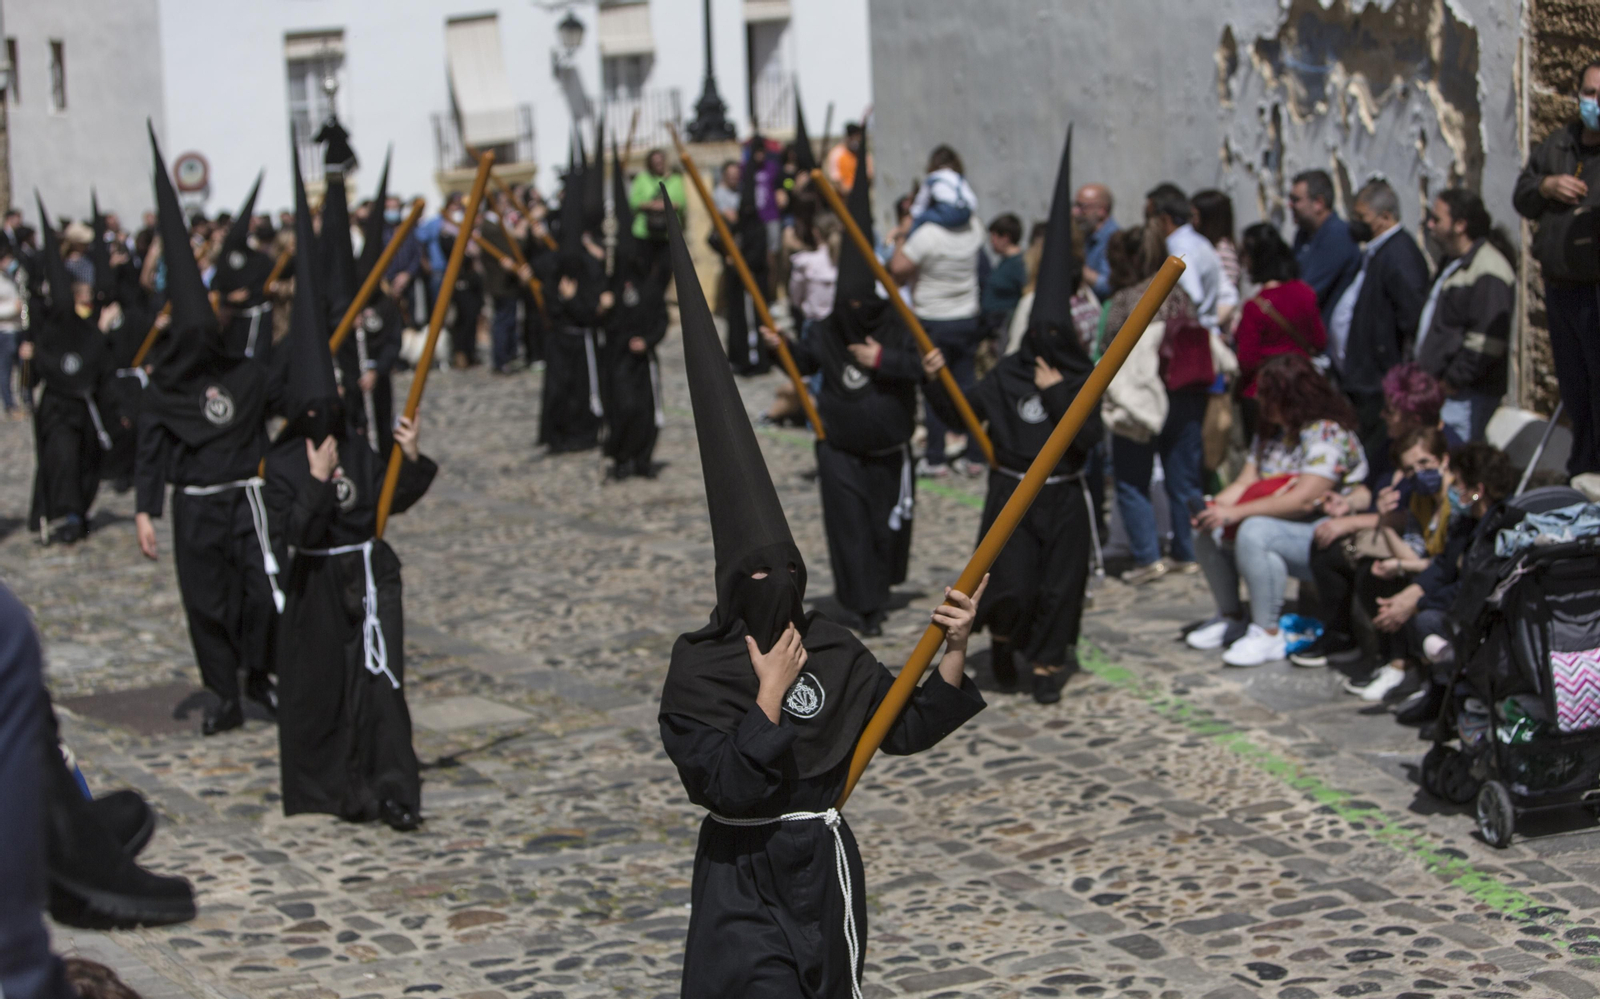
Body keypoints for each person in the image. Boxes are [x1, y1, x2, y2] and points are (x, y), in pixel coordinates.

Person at [656, 196, 985, 998]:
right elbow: (726, 786)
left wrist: (951, 648)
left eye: (789, 576)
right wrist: (767, 699)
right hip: (739, 876)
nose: (779, 592)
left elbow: (898, 725)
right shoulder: (698, 671)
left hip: (822, 867)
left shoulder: (830, 644)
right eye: (759, 581)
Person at [265, 159, 433, 832]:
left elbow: (389, 498)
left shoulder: (353, 437)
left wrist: (411, 459)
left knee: (383, 681)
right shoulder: (280, 458)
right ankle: (341, 785)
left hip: (370, 572)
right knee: (331, 690)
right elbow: (290, 534)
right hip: (317, 585)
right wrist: (310, 479)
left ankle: (396, 789)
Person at [924, 126, 1101, 704]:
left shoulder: (1078, 378)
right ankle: (1002, 640)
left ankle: (1048, 665)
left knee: (1059, 589)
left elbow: (1088, 443)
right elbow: (962, 412)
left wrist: (1058, 396)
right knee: (1013, 584)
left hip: (1064, 493)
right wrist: (937, 381)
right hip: (1013, 492)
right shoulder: (1007, 374)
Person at [134, 127, 280, 736]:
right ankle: (222, 691)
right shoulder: (164, 391)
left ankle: (257, 676)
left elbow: (289, 399)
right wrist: (146, 512)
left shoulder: (246, 373)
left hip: (247, 498)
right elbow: (151, 451)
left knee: (259, 597)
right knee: (207, 605)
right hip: (195, 504)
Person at [763, 144, 922, 637]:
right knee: (849, 532)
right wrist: (779, 346)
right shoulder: (831, 327)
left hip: (886, 448)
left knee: (881, 531)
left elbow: (925, 367)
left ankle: (879, 589)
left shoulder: (895, 321)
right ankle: (862, 604)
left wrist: (884, 360)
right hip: (839, 446)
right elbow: (807, 361)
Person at [1188, 353, 1368, 667]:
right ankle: (1230, 615)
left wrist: (1236, 513)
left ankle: (1267, 631)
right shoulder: (1271, 431)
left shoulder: (1326, 433)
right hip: (1287, 525)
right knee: (1208, 524)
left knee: (1256, 530)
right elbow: (1246, 481)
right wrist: (1215, 509)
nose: (1258, 400)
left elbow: (1303, 500)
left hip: (1326, 535)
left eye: (1267, 395)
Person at [1352, 443, 1517, 706]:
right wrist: (1409, 595)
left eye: (1459, 484)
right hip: (1462, 602)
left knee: (1427, 621)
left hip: (1487, 614)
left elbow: (1472, 588)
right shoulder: (1467, 522)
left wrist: (1415, 604)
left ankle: (1447, 695)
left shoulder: (1499, 529)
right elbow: (1443, 566)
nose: (1453, 490)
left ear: (1478, 491)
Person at [1294, 426, 1456, 681]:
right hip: (1430, 569)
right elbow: (1414, 554)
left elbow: (1449, 564)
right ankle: (1393, 663)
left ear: (1444, 459)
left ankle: (1407, 667)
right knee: (1374, 573)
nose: (1419, 473)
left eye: (1425, 462)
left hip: (1449, 580)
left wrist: (1401, 566)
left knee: (1403, 592)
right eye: (1410, 469)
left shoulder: (1456, 503)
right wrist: (1385, 522)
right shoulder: (1420, 501)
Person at [1102, 221, 1206, 586]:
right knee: (1184, 478)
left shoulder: (1126, 299)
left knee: (1132, 480)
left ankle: (1147, 556)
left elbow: (1110, 350)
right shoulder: (1179, 295)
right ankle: (1187, 551)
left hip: (1140, 401)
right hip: (1183, 393)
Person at [1514, 60, 1600, 482]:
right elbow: (1523, 194)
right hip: (1560, 285)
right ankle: (1582, 467)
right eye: (1589, 93)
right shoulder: (1560, 144)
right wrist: (1547, 186)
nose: (1595, 103)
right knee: (1574, 385)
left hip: (1594, 288)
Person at [889, 141, 986, 477]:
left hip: (932, 319)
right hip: (967, 315)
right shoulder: (975, 227)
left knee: (933, 388)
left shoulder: (927, 234)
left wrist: (902, 233)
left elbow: (897, 269)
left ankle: (935, 456)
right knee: (966, 386)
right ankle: (975, 454)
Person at [22, 199, 115, 546]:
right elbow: (38, 372)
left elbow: (96, 364)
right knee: (61, 461)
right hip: (58, 409)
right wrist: (31, 361)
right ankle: (67, 513)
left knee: (85, 461)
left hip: (83, 406)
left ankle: (81, 511)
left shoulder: (87, 331)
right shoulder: (47, 334)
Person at [1325, 179, 1430, 458]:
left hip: (1379, 381)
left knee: (1374, 453)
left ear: (1385, 217)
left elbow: (1411, 320)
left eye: (1362, 218)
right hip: (1362, 378)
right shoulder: (1377, 252)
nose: (1355, 224)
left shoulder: (1399, 255)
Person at [1413, 189, 1515, 445]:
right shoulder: (1453, 263)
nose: (1430, 225)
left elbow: (1485, 343)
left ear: (1460, 225)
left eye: (1437, 219)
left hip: (1466, 399)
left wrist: (1451, 383)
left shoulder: (1488, 269)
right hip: (1443, 395)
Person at [602, 147, 672, 480]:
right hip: (618, 357)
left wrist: (648, 340)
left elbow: (661, 319)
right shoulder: (616, 288)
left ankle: (643, 458)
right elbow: (606, 318)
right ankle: (620, 456)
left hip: (643, 359)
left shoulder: (652, 288)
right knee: (623, 407)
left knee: (647, 411)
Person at [538, 159, 609, 454]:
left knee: (582, 389)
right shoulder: (554, 265)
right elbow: (548, 301)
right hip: (560, 337)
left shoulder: (590, 265)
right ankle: (557, 434)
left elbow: (593, 306)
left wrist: (575, 301)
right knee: (557, 389)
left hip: (582, 338)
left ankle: (584, 432)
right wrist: (562, 301)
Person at [1232, 222, 1327, 436]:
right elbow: (1319, 341)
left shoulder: (1255, 308)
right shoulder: (1305, 293)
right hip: (1302, 390)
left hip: (1263, 396)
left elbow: (1247, 360)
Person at [1146, 183, 1237, 333]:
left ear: (1164, 219)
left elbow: (1191, 297)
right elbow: (1229, 294)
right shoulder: (1199, 241)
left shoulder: (1179, 249)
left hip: (1190, 342)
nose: (1146, 227)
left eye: (1149, 218)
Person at [210, 174, 276, 362]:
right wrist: (228, 298)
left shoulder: (261, 260)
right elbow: (216, 287)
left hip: (257, 321)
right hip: (233, 323)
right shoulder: (225, 260)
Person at [721, 149, 772, 376]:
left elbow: (758, 254)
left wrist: (742, 261)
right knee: (739, 321)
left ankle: (760, 358)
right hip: (737, 281)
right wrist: (728, 252)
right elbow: (714, 239)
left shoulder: (758, 228)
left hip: (754, 279)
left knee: (757, 320)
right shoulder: (735, 224)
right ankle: (740, 358)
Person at [1288, 169, 1361, 321]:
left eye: (1296, 200)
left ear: (1319, 203)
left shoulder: (1338, 236)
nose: (1290, 205)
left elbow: (1306, 293)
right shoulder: (1304, 234)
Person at [628, 148, 686, 275]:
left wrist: (664, 205)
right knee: (644, 269)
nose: (658, 165)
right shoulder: (642, 178)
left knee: (666, 270)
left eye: (660, 162)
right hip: (645, 233)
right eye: (655, 163)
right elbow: (633, 202)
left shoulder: (675, 179)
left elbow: (681, 203)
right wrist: (651, 205)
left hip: (667, 233)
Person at [909, 145, 978, 232]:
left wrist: (913, 214)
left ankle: (907, 243)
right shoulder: (959, 178)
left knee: (920, 220)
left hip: (947, 211)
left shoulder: (933, 177)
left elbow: (921, 202)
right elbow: (972, 200)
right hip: (965, 212)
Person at [981, 213, 1026, 338]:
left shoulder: (1019, 264)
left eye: (993, 237)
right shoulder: (1004, 261)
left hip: (1005, 329)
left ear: (1005, 237)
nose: (991, 242)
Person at [1074, 183, 1119, 300]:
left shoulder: (1114, 239)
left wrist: (1076, 268)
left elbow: (1109, 286)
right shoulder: (1086, 235)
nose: (1075, 212)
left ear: (1102, 210)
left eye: (1082, 207)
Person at [1191, 189, 1240, 295]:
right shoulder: (1209, 247)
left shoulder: (1223, 251)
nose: (1191, 220)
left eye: (1195, 215)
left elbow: (1226, 296)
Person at [0, 238, 23, 419]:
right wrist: (13, 308)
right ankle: (9, 403)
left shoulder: (10, 276)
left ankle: (21, 400)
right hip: (4, 329)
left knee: (19, 367)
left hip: (15, 327)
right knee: (5, 369)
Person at [825, 122, 868, 193]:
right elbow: (836, 180)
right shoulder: (837, 154)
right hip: (844, 196)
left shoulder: (862, 155)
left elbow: (869, 174)